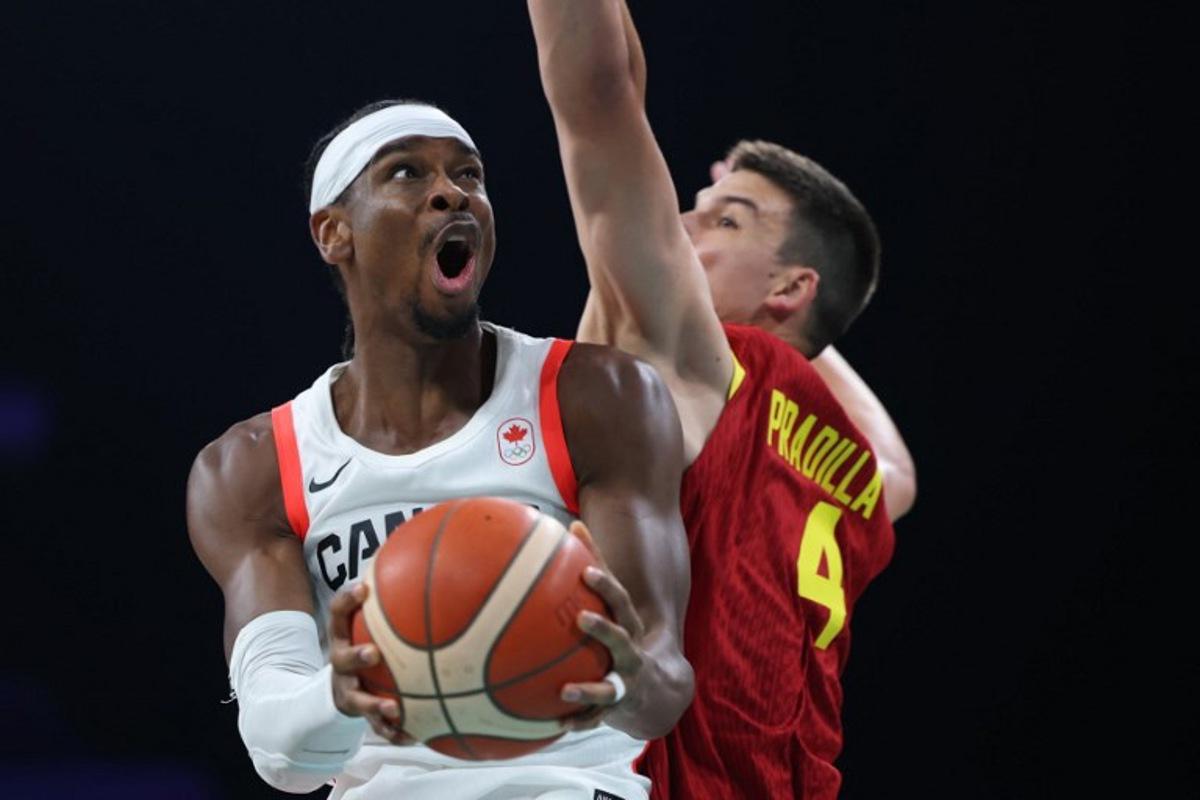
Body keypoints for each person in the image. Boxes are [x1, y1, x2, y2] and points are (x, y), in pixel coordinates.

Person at [186, 100, 694, 800]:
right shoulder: (253, 467)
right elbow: (283, 758)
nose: (454, 192)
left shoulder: (597, 397)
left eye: (470, 176)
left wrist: (627, 680)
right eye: (406, 173)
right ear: (335, 233)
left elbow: (664, 689)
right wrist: (341, 689)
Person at [528, 2, 916, 797]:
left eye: (723, 220)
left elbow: (602, 92)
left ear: (790, 285)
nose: (682, 222)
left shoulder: (688, 364)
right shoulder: (853, 474)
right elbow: (899, 461)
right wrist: (804, 314)